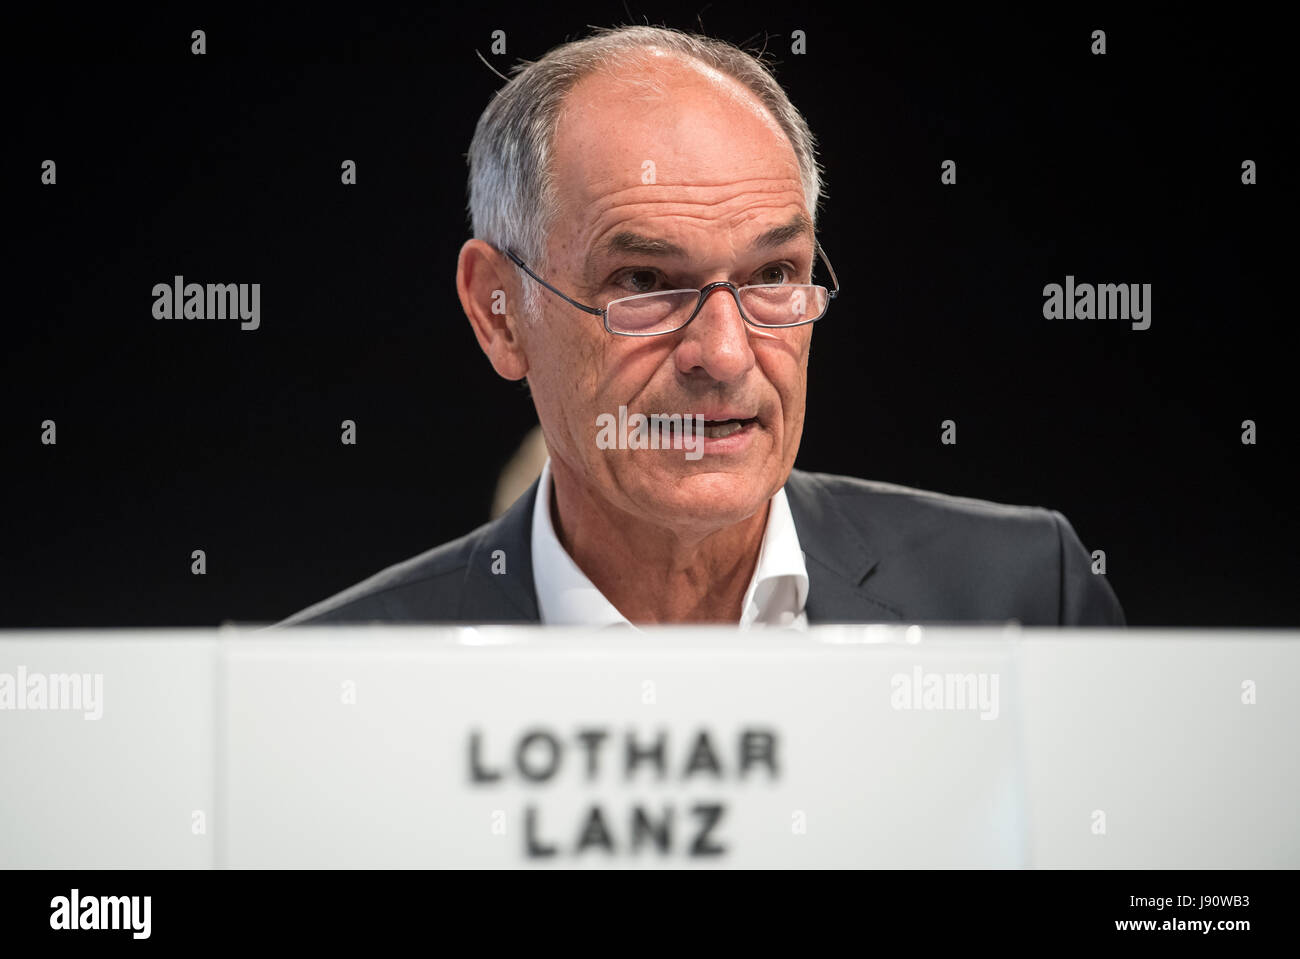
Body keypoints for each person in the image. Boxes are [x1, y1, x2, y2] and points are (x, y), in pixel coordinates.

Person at [281, 25, 1123, 628]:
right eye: (644, 281)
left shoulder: (1022, 599)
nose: (723, 354)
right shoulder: (340, 685)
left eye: (772, 275)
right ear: (499, 312)